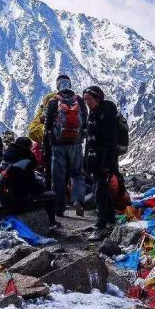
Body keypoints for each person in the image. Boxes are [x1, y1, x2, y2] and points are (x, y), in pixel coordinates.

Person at [44, 74, 87, 217]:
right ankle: (78, 201)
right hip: (75, 144)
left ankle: (59, 207)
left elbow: (48, 124)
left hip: (58, 145)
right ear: (69, 84)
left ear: (58, 86)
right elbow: (85, 122)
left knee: (58, 176)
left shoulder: (53, 101)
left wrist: (50, 139)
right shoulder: (79, 101)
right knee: (77, 174)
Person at [82, 85, 119, 240]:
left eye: (89, 99)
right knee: (102, 189)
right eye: (85, 100)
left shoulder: (107, 113)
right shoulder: (93, 113)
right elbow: (90, 140)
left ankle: (101, 224)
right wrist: (86, 161)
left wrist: (106, 162)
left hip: (105, 161)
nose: (87, 103)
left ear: (97, 98)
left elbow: (110, 141)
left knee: (100, 191)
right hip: (94, 160)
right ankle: (109, 219)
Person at [1, 137, 59, 228]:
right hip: (19, 202)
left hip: (4, 201)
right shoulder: (25, 162)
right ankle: (51, 222)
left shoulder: (5, 159)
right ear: (27, 148)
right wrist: (42, 186)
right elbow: (34, 187)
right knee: (52, 195)